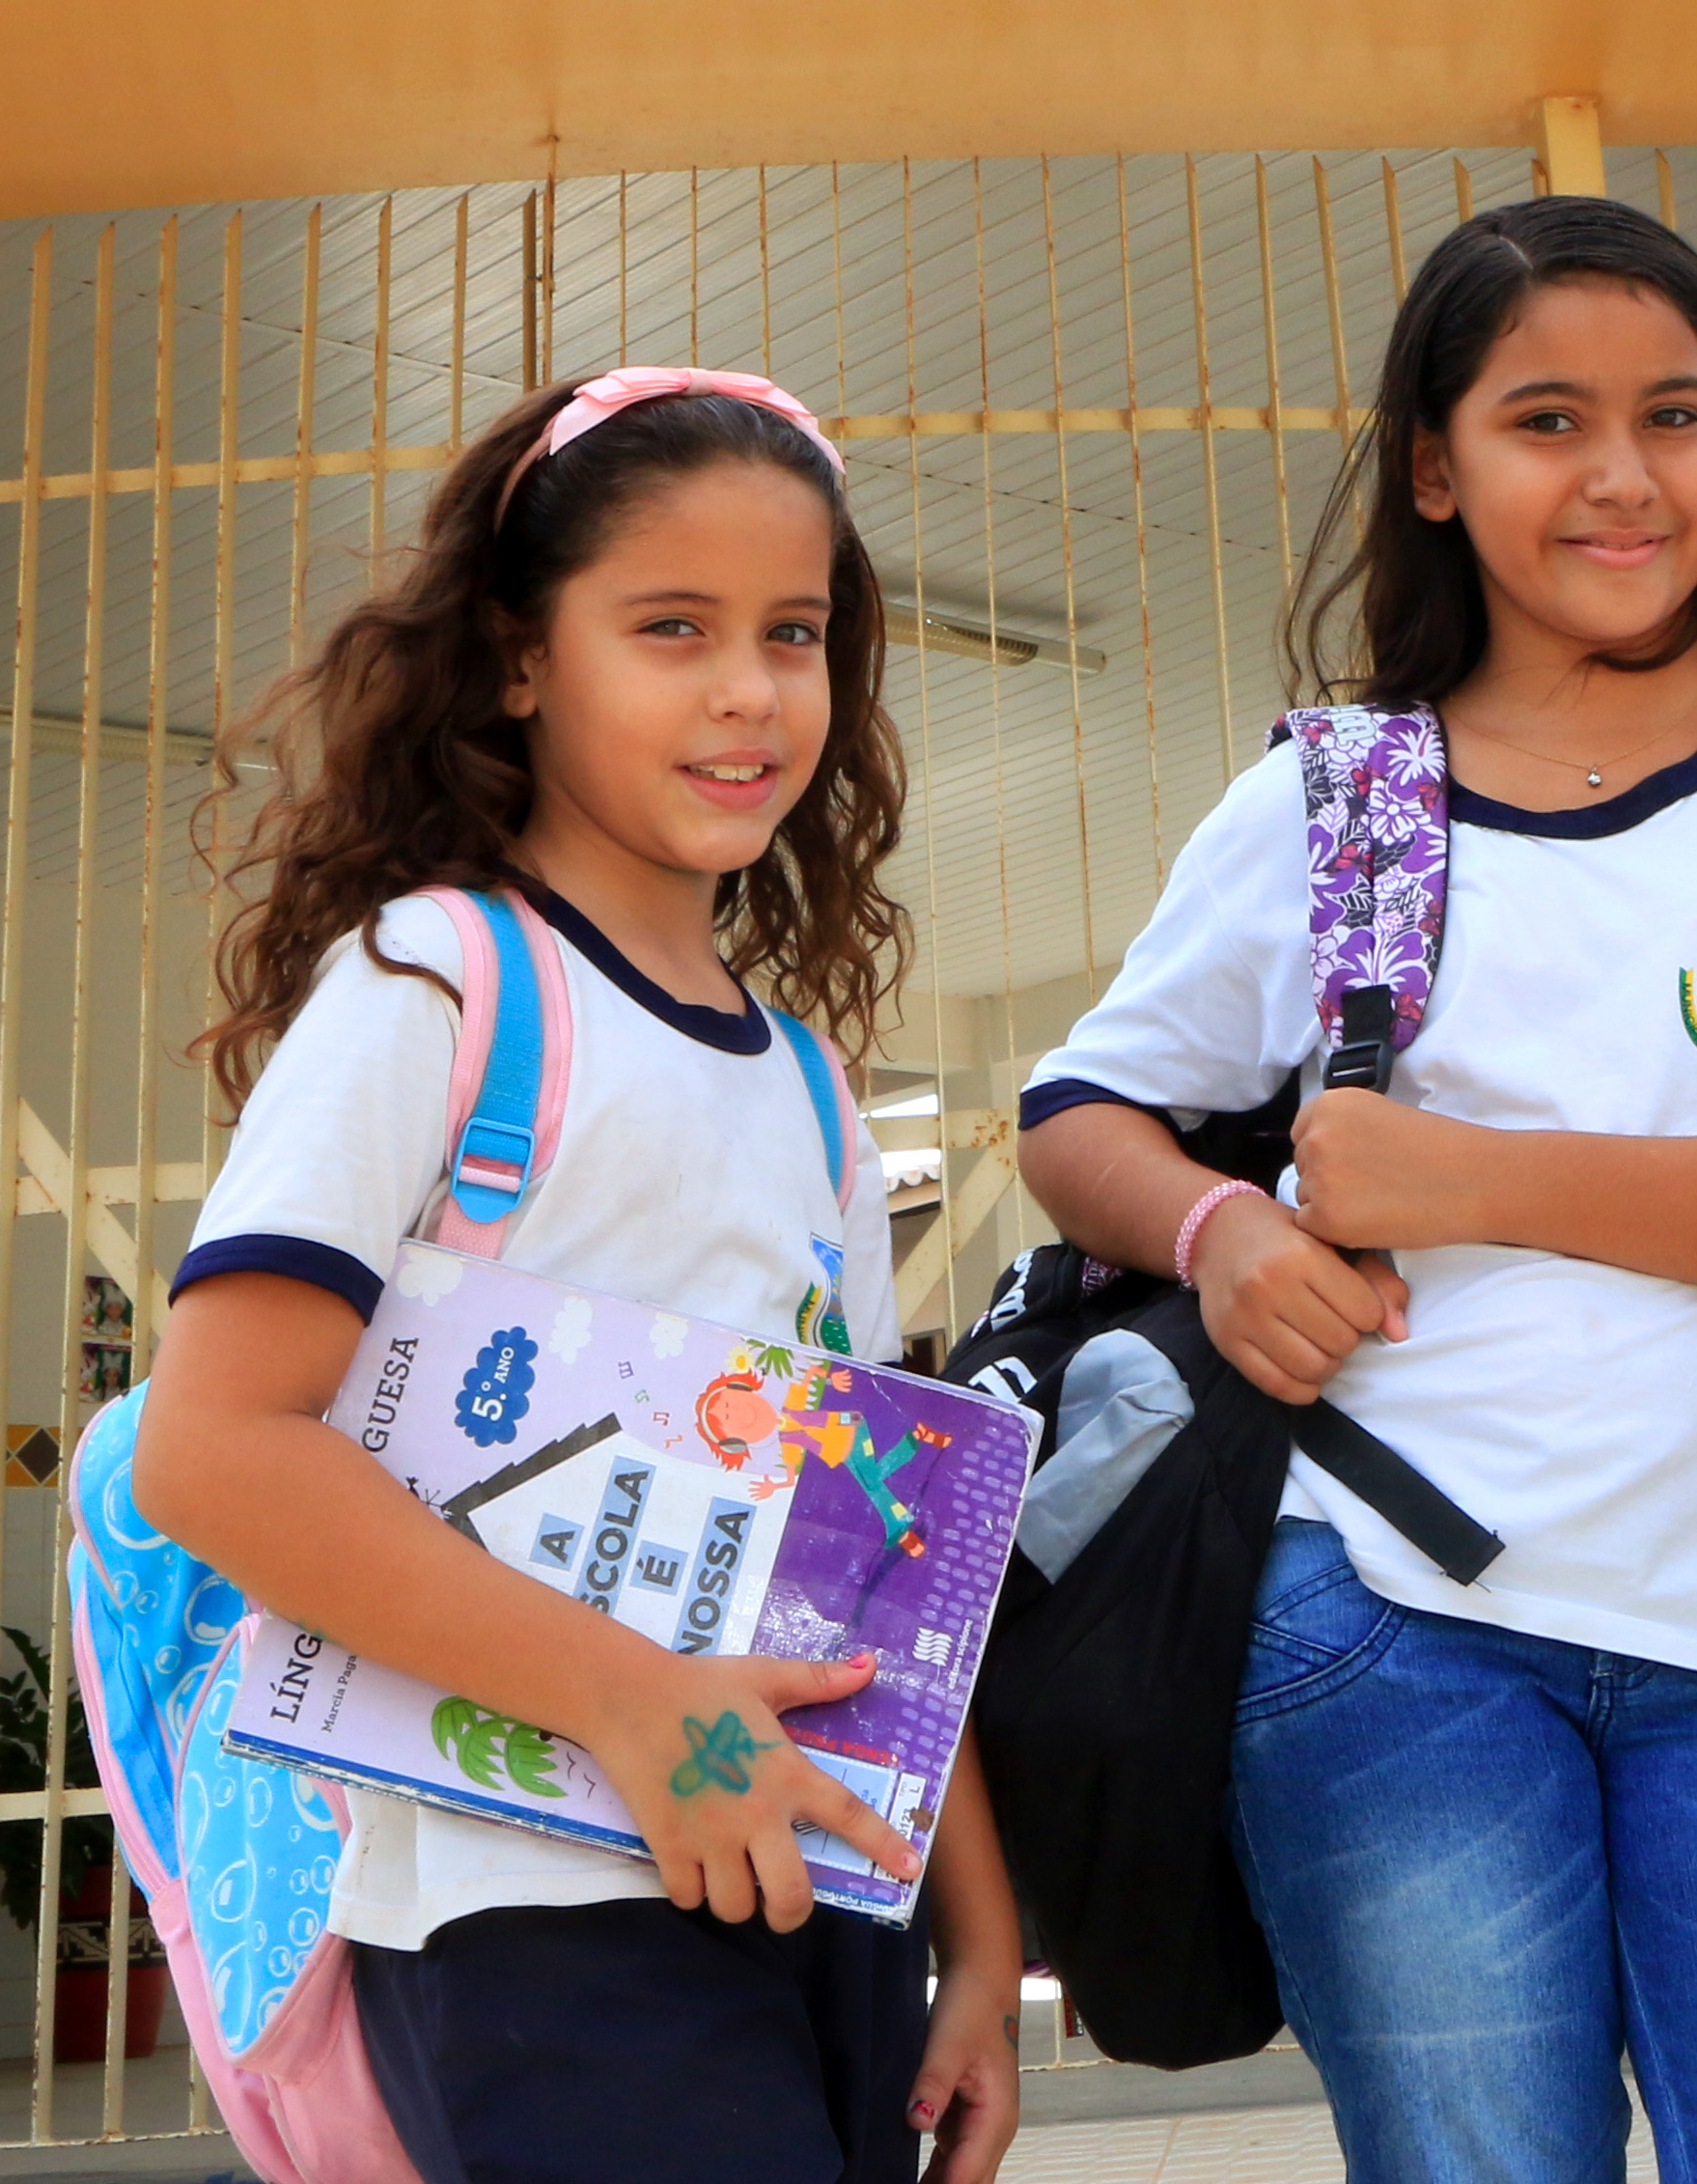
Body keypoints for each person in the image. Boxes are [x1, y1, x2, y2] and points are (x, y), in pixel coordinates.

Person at [1013, 197, 1697, 2184]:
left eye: (1678, 415)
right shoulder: (1344, 797)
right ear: (1436, 468)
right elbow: (1081, 1116)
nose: (1625, 476)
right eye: (1547, 420)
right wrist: (1221, 1236)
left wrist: (1468, 1178)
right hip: (1389, 1631)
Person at [128, 368, 1023, 2184]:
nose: (749, 690)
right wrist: (634, 1698)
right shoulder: (437, 984)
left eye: (794, 631)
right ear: (523, 658)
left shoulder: (810, 1089)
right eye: (669, 627)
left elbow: (884, 1553)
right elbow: (212, 1449)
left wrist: (979, 1940)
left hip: (818, 1906)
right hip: (528, 1918)